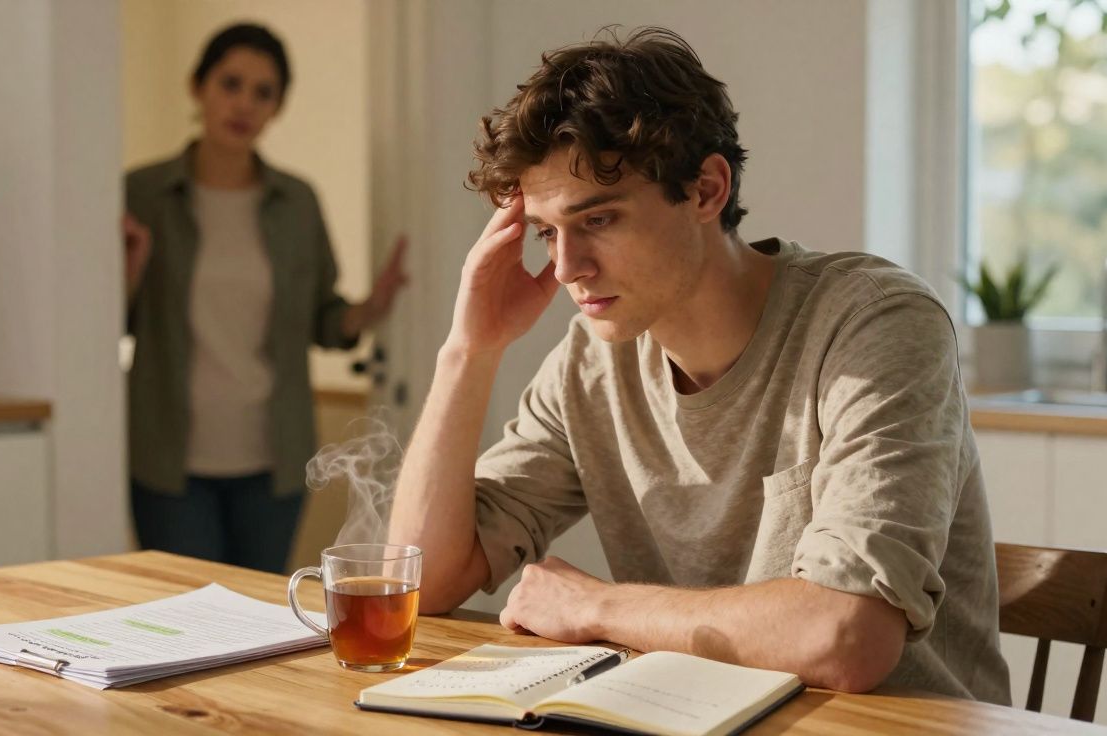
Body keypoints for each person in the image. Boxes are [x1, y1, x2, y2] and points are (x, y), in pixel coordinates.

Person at [388, 27, 1011, 703]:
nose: (566, 267)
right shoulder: (591, 366)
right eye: (547, 233)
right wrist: (468, 351)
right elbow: (421, 584)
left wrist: (597, 609)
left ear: (707, 189)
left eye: (597, 220)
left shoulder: (875, 325)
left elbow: (847, 636)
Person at [124, 23, 407, 573]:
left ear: (277, 107)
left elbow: (321, 319)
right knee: (185, 617)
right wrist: (129, 269)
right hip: (167, 459)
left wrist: (370, 309)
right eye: (230, 83)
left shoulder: (296, 202)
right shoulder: (142, 193)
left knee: (257, 617)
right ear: (197, 87)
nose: (244, 104)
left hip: (273, 461)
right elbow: (104, 319)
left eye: (263, 92)